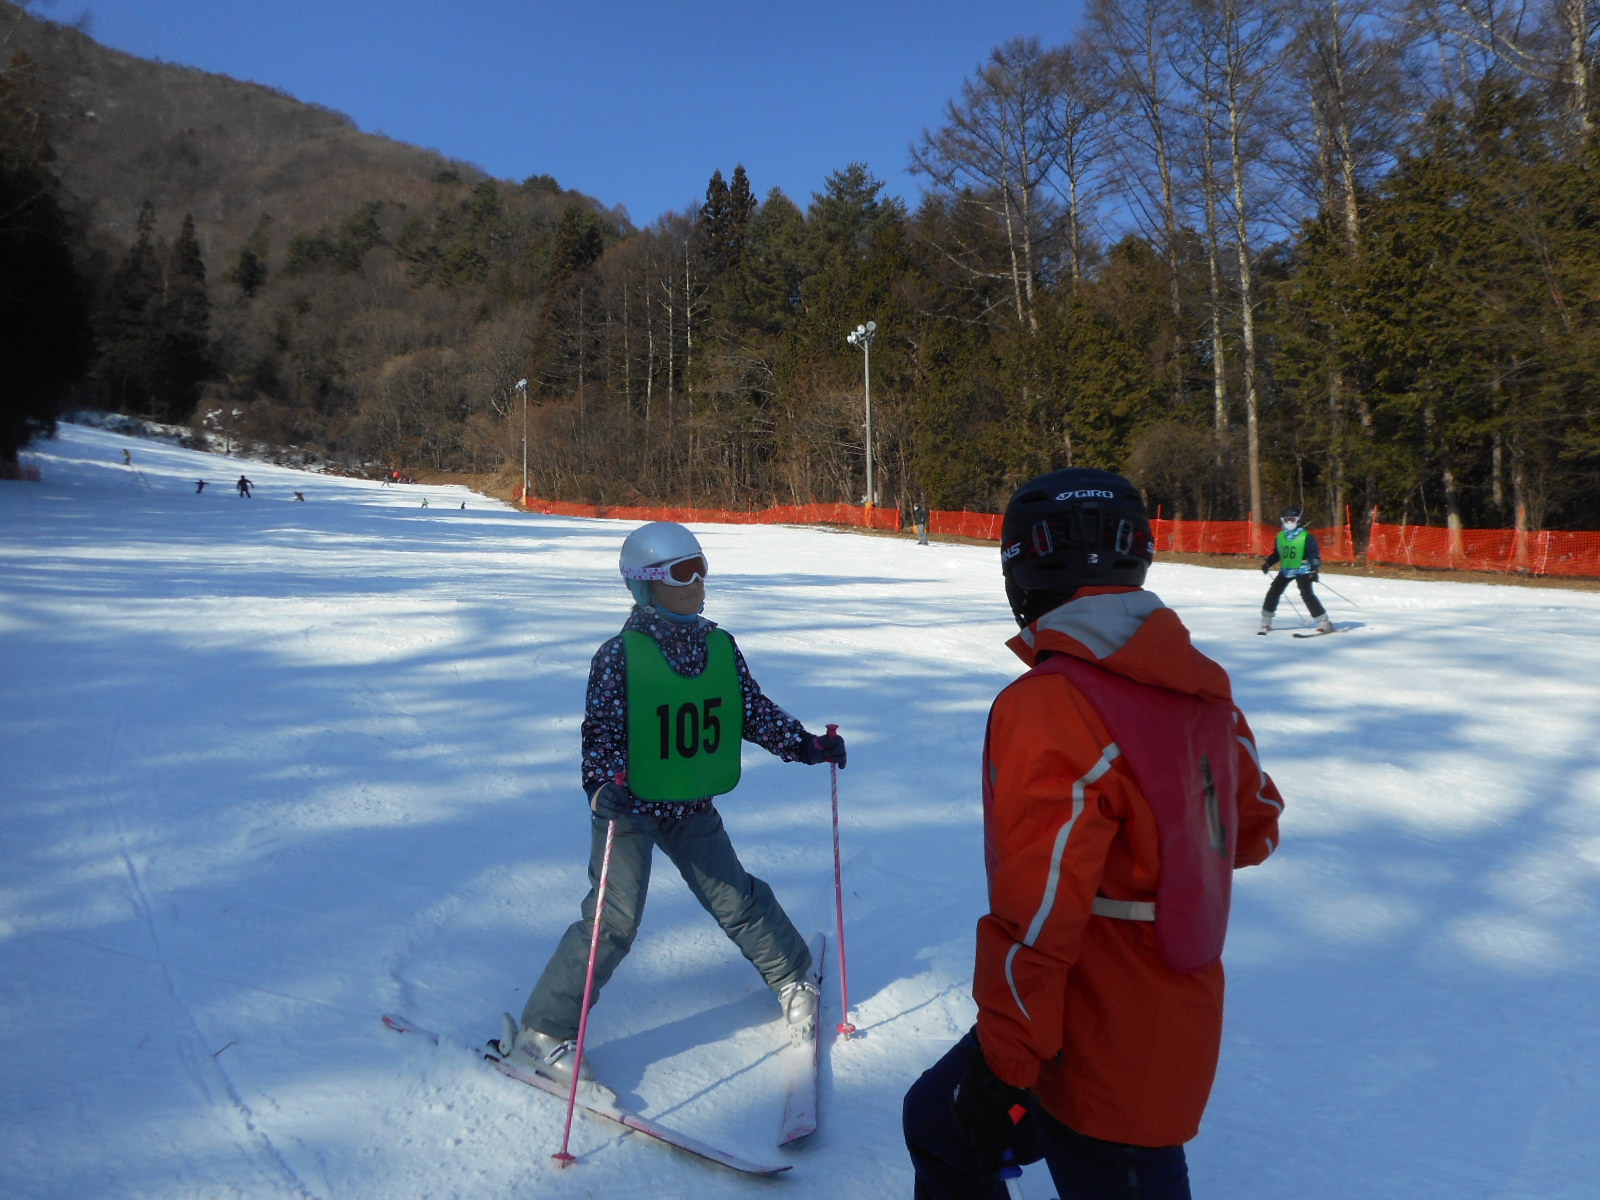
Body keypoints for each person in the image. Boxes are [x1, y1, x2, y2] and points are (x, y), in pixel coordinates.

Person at [903, 468, 1284, 1200]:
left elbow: (1037, 913)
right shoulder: (1199, 690)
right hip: (1155, 1018)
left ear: (1024, 570)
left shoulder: (1050, 705)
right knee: (938, 1122)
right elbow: (1254, 830)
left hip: (1101, 1042)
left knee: (1010, 1138)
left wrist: (1003, 1063)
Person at [503, 521, 848, 1089]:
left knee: (733, 894)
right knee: (613, 920)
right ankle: (543, 1033)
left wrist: (804, 745)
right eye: (682, 573)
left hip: (689, 800)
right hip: (630, 808)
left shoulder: (719, 645)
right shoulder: (617, 657)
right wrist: (601, 785)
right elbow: (602, 736)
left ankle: (792, 977)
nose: (698, 583)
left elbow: (750, 711)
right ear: (645, 585)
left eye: (702, 567)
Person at [1259, 506, 1332, 634]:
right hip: (1286, 570)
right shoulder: (1280, 536)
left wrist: (1314, 570)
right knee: (1273, 592)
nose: (1289, 523)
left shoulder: (1306, 536)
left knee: (1307, 595)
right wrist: (1268, 563)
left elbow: (1313, 554)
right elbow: (1277, 553)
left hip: (1303, 570)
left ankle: (1324, 622)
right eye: (1286, 520)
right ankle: (1266, 621)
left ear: (1298, 520)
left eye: (1292, 519)